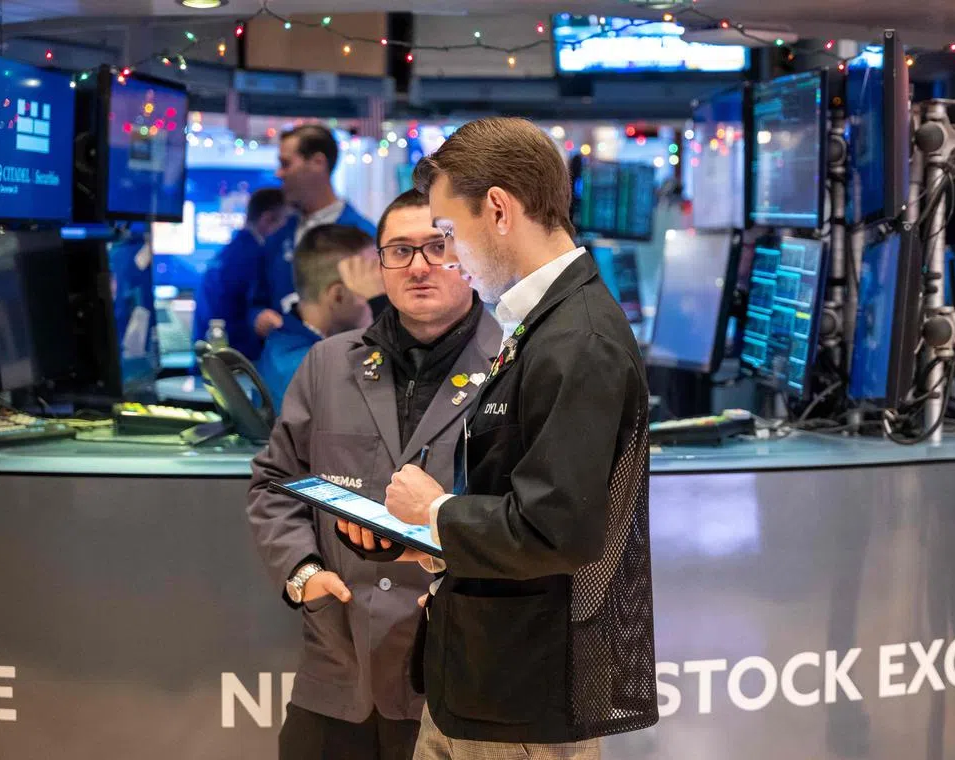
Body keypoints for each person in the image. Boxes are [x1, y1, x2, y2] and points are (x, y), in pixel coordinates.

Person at [341, 117, 658, 758]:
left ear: (499, 210)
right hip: (489, 678)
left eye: (450, 233)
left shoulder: (578, 340)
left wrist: (433, 512)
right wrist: (427, 541)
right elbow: (516, 497)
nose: (448, 256)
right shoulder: (541, 322)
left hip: (527, 698)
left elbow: (553, 530)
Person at [247, 188, 501, 760]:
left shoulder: (516, 363)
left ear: (470, 254)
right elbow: (273, 483)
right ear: (377, 265)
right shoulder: (328, 363)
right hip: (338, 672)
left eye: (437, 246)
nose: (418, 266)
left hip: (456, 675)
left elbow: (534, 517)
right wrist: (302, 573)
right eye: (399, 251)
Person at [249, 125, 378, 342]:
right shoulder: (278, 236)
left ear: (318, 163)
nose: (278, 174)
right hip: (284, 362)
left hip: (343, 363)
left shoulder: (364, 237)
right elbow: (256, 301)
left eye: (285, 164)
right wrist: (258, 316)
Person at [256, 224, 376, 414]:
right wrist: (374, 325)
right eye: (372, 287)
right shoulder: (318, 370)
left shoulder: (284, 342)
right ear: (338, 296)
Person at [192, 187, 287, 361]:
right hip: (236, 366)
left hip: (209, 361)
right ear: (267, 220)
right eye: (285, 223)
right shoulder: (255, 257)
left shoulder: (229, 252)